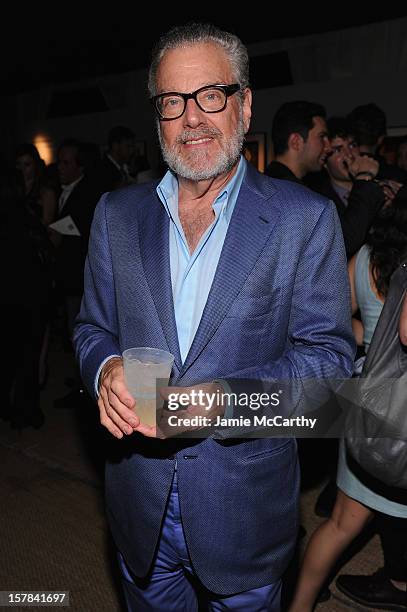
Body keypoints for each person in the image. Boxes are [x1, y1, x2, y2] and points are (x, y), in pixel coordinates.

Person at [74, 23, 354, 611]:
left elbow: (329, 376)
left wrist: (212, 404)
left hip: (244, 512)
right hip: (138, 504)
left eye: (210, 95)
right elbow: (91, 328)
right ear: (158, 117)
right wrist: (103, 371)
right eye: (172, 101)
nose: (192, 117)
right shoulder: (116, 214)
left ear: (244, 104)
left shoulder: (304, 220)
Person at [288, 194, 407, 612]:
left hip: (369, 401)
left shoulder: (367, 259)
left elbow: (328, 319)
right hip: (401, 413)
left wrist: (369, 335)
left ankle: (299, 605)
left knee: (340, 524)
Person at [264, 100, 330, 182]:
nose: (328, 147)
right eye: (321, 137)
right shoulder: (288, 190)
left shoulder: (269, 183)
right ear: (296, 142)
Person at [100, 125, 135, 192]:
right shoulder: (102, 171)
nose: (132, 150)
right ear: (115, 146)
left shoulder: (125, 168)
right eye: (128, 146)